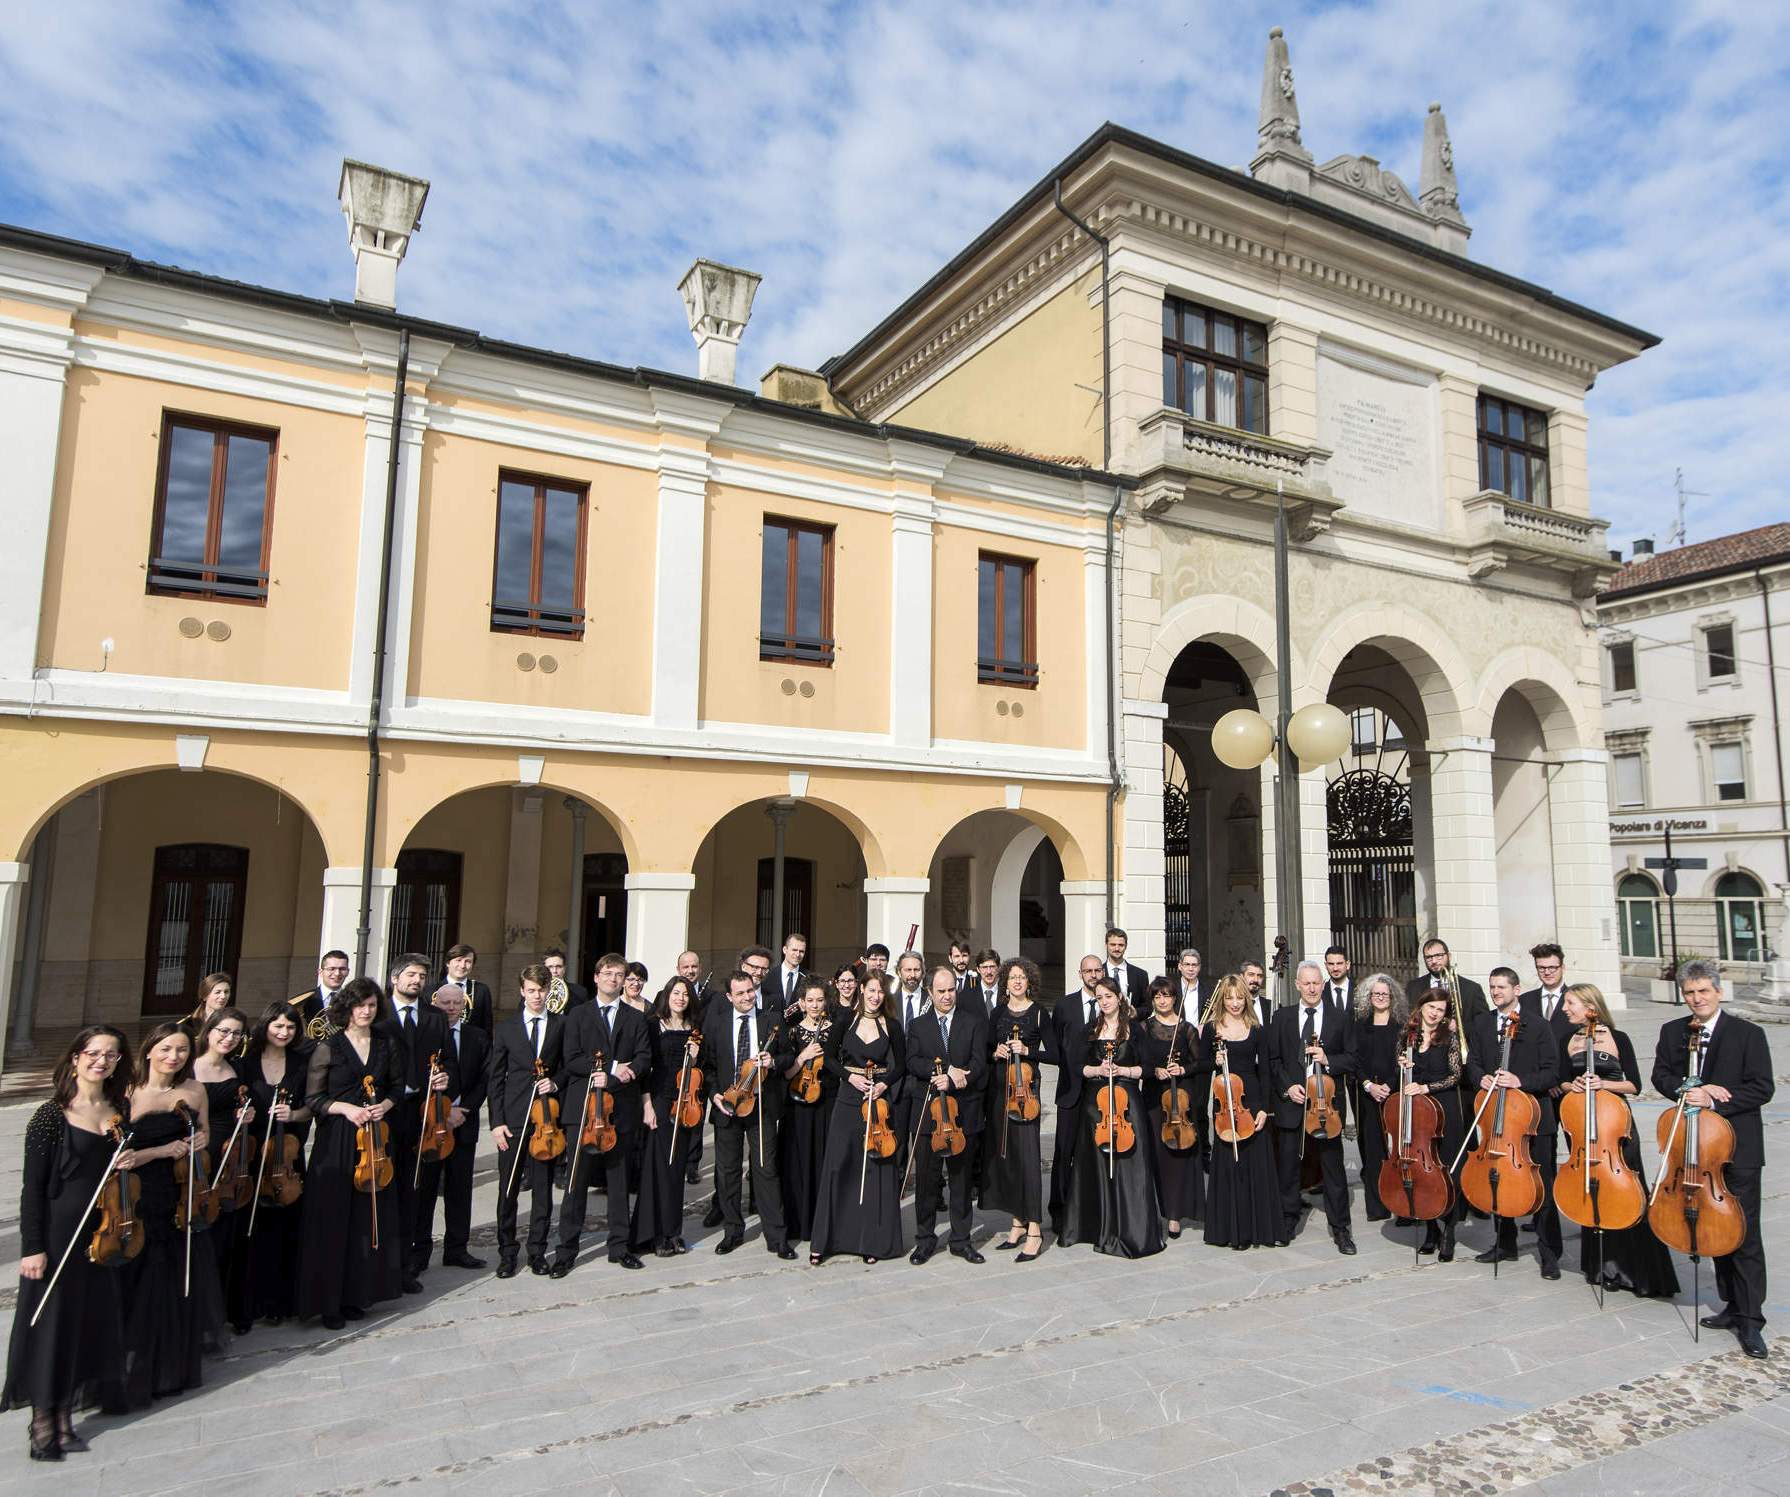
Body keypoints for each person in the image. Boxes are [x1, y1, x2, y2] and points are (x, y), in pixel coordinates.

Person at [3, 1027, 132, 1459]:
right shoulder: (50, 1115)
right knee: (50, 1326)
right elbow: (31, 1189)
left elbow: (120, 1175)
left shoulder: (120, 1111)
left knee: (83, 1322)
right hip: (58, 1236)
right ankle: (42, 1417)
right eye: (94, 1053)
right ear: (76, 1058)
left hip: (102, 1232)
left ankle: (65, 1415)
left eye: (111, 1055)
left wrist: (129, 1160)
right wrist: (31, 1248)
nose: (102, 1061)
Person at [1653, 960, 1770, 1357]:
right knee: (1713, 1230)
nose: (1696, 999)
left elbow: (1762, 1088)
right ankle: (1730, 1306)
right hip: (1693, 1149)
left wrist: (1719, 1096)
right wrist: (1683, 1090)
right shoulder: (1673, 1032)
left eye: (1703, 991)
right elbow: (1660, 1076)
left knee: (1745, 1234)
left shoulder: (1747, 1034)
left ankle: (1751, 1320)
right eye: (1690, 993)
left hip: (1737, 1151)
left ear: (1719, 992)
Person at [123, 1022, 226, 1404]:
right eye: (166, 1049)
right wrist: (162, 1151)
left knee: (173, 1275)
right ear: (149, 1050)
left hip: (180, 1190)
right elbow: (120, 1155)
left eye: (182, 1050)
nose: (174, 1056)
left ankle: (171, 1362)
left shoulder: (194, 1089)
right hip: (137, 1192)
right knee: (142, 1274)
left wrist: (200, 1141)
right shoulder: (129, 1092)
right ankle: (135, 1360)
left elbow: (204, 1135)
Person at [295, 980, 403, 1329]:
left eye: (371, 1005)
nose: (366, 1011)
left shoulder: (386, 1043)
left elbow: (397, 1088)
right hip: (339, 1139)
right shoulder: (329, 1046)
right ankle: (329, 1302)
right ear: (347, 1008)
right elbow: (314, 1099)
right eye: (360, 1005)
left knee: (365, 1219)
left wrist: (382, 1106)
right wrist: (346, 1109)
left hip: (374, 1138)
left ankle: (358, 1294)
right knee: (333, 1218)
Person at [1558, 983, 1677, 1299]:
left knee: (1627, 1193)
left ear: (1589, 1006)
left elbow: (1634, 1084)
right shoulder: (1567, 1040)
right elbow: (1560, 1082)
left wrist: (1604, 1084)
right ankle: (1603, 1268)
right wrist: (1574, 1086)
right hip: (1583, 1130)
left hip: (1615, 1129)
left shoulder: (1617, 1038)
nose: (1565, 1009)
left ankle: (1641, 1272)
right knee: (1592, 1193)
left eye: (1570, 1003)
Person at [553, 953, 652, 1275]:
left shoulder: (635, 1018)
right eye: (607, 973)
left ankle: (619, 1247)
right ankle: (566, 1250)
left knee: (619, 1181)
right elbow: (571, 1058)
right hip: (582, 1110)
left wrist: (622, 1075)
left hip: (620, 1108)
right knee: (576, 1183)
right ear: (596, 977)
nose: (613, 979)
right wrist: (610, 1067)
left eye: (619, 974)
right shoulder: (577, 1015)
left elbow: (642, 1058)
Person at [1465, 966, 1561, 1277]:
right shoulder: (1481, 1023)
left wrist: (1520, 1081)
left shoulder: (1537, 1025)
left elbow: (1552, 1072)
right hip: (1497, 1117)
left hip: (1533, 1118)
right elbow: (1473, 1063)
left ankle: (1549, 1253)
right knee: (1499, 1179)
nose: (1495, 992)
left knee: (1542, 1186)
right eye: (1492, 987)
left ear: (1516, 990)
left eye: (1501, 987)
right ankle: (1504, 1243)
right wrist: (1482, 1079)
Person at [1058, 976, 1163, 1258]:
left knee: (1132, 1166)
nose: (1105, 1002)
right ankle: (1096, 1227)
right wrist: (1097, 1070)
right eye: (1100, 997)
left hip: (1128, 1105)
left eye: (1109, 996)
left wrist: (1124, 1071)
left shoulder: (1136, 1031)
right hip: (1097, 1107)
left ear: (1119, 998)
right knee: (1097, 1166)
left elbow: (1150, 1068)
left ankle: (1132, 1228)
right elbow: (1075, 1066)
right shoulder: (1090, 1030)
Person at [376, 954, 460, 1294]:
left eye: (422, 976)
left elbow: (451, 1063)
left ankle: (410, 1262)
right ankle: (379, 1261)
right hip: (386, 1112)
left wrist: (445, 1079)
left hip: (423, 1113)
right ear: (395, 978)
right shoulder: (377, 1014)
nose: (416, 981)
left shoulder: (435, 1017)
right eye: (411, 975)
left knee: (417, 1187)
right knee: (384, 1185)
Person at [811, 971, 905, 1265]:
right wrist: (849, 1079)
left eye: (881, 992)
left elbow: (901, 1065)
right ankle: (827, 1240)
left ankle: (871, 1241)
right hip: (848, 1098)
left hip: (877, 1101)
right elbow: (827, 1058)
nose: (876, 996)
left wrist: (883, 1085)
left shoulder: (891, 1025)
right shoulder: (844, 1021)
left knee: (875, 1169)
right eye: (872, 990)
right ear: (862, 989)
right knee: (839, 1164)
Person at [701, 971, 795, 1259]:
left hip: (761, 1105)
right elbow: (708, 1066)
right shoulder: (716, 1024)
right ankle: (732, 1231)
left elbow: (789, 1056)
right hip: (727, 1105)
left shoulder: (771, 1020)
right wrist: (714, 1093)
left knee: (765, 1169)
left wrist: (774, 1061)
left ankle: (776, 1236)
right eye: (739, 993)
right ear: (729, 996)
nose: (746, 997)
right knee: (727, 1172)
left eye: (750, 991)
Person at [1270, 960, 1357, 1255]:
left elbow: (1353, 1058)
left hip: (1326, 1105)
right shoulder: (1282, 1017)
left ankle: (1341, 1228)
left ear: (1323, 984)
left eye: (1316, 982)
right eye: (1305, 983)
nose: (1311, 988)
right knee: (1289, 1167)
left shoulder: (1339, 1017)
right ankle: (1286, 1220)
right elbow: (1274, 1061)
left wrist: (1328, 1058)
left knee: (1332, 1169)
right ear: (1297, 985)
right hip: (1293, 1103)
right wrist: (1286, 1087)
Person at [905, 966, 988, 1265]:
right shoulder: (917, 1025)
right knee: (926, 1182)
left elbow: (980, 1063)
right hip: (928, 1114)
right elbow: (912, 1061)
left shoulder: (974, 1022)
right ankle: (925, 1240)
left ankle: (961, 1240)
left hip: (963, 1113)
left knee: (961, 1181)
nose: (947, 996)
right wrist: (936, 1073)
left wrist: (955, 1079)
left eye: (951, 989)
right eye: (940, 991)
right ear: (930, 992)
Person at [236, 1002, 311, 1326]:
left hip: (288, 1156)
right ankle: (248, 1302)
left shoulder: (300, 1063)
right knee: (252, 1230)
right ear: (266, 1026)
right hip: (254, 1156)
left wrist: (293, 1114)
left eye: (290, 1027)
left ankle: (281, 1300)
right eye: (278, 1026)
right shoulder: (246, 1064)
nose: (284, 1032)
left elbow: (312, 1105)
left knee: (286, 1228)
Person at [488, 966, 565, 1278]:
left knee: (543, 1191)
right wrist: (496, 1122)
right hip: (514, 1120)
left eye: (542, 990)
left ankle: (537, 1251)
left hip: (546, 1122)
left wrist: (555, 1083)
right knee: (508, 1190)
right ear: (522, 991)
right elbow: (495, 1079)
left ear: (549, 992)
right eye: (531, 990)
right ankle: (507, 1253)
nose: (537, 996)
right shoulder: (506, 1029)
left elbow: (567, 1067)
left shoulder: (561, 1025)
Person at [1200, 976, 1280, 1250]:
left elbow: (1266, 1071)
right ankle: (1234, 1230)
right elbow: (1200, 1064)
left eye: (1239, 997)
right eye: (1229, 998)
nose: (1235, 1003)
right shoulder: (1212, 1029)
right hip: (1224, 1100)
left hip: (1252, 1099)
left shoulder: (1256, 1028)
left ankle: (1260, 1229)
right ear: (1222, 999)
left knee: (1256, 1163)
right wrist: (1215, 1060)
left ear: (1246, 998)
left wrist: (1264, 1110)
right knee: (1230, 1165)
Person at [413, 985, 489, 1272]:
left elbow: (484, 1079)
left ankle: (457, 1249)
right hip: (431, 1122)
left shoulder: (477, 1036)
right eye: (445, 1002)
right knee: (426, 1190)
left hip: (463, 1121)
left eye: (457, 1003)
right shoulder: (424, 1035)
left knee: (460, 1189)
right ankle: (419, 1251)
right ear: (436, 1002)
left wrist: (463, 1109)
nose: (451, 1007)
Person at [631, 976, 707, 1257]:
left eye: (685, 994)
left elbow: (700, 1070)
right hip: (661, 1100)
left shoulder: (694, 1029)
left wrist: (697, 1056)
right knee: (659, 1168)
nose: (681, 998)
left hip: (686, 1103)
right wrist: (647, 1106)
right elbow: (645, 1069)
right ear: (667, 995)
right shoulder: (653, 1025)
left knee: (676, 1171)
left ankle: (673, 1232)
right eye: (676, 993)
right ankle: (655, 1234)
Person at [192, 1007, 254, 1331]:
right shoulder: (188, 1068)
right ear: (210, 1029)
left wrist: (246, 1114)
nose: (229, 1038)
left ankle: (225, 1310)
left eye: (236, 1034)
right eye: (224, 1031)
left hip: (229, 1159)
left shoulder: (239, 1068)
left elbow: (242, 1107)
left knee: (226, 1236)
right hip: (198, 1157)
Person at [983, 957, 1046, 1262]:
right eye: (1012, 977)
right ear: (1005, 983)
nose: (1017, 982)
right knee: (1007, 1159)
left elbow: (1056, 1053)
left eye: (1022, 977)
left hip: (1027, 1095)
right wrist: (995, 1052)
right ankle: (1017, 1222)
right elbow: (984, 1048)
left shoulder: (1037, 1013)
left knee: (1029, 1159)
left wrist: (1029, 1051)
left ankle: (1035, 1228)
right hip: (1001, 1091)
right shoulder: (997, 1013)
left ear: (1028, 981)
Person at [1137, 976, 1202, 1237]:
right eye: (1157, 996)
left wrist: (1182, 1068)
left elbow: (1202, 1063)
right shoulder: (1143, 1028)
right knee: (1154, 1157)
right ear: (1152, 1000)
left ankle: (1174, 1214)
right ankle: (1153, 1210)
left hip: (1181, 1101)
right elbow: (1139, 1064)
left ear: (1175, 997)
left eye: (1167, 995)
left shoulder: (1187, 1029)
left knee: (1176, 1157)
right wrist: (1155, 1070)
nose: (1162, 1000)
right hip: (1154, 1099)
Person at [1047, 955, 1105, 1237]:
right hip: (1070, 1091)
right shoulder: (1064, 1005)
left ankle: (1093, 1210)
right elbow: (1057, 1046)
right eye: (1088, 971)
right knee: (1064, 1151)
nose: (1093, 975)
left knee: (1095, 1153)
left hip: (1100, 1096)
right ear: (1079, 973)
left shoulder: (1111, 1005)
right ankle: (1058, 1211)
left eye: (1097, 970)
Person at [1403, 992, 1463, 1261]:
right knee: (1422, 1171)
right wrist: (1402, 1066)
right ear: (1421, 1006)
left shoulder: (1449, 1038)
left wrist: (1426, 1087)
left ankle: (1449, 1230)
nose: (1435, 1013)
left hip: (1445, 1109)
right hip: (1418, 1112)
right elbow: (1401, 1070)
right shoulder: (1408, 1035)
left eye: (1440, 1009)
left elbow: (1455, 1075)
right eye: (1431, 1007)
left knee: (1447, 1171)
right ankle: (1430, 1229)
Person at [778, 978, 835, 1246]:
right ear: (801, 1003)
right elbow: (786, 1072)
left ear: (826, 1002)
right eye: (809, 1000)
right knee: (798, 1161)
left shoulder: (834, 1030)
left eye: (819, 1000)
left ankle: (822, 1222)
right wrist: (802, 1057)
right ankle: (798, 1222)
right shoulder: (791, 1032)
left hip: (826, 1103)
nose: (814, 1005)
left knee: (823, 1158)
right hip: (798, 1101)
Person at [1352, 974, 1405, 1224]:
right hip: (1369, 1093)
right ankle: (1377, 1206)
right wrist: (1369, 1085)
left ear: (1392, 997)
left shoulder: (1402, 1025)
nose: (1380, 997)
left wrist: (1389, 1085)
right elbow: (1356, 1061)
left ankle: (1404, 1205)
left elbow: (1403, 1060)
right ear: (1369, 997)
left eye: (1385, 994)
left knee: (1400, 1150)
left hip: (1396, 1092)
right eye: (1376, 994)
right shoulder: (1360, 1024)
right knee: (1374, 1152)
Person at [1403, 938, 1489, 1022]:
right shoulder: (1413, 987)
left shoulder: (1472, 989)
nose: (1434, 961)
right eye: (1429, 957)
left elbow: (1483, 1022)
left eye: (1438, 956)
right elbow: (1406, 1018)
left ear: (1449, 956)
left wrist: (1459, 1027)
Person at [291, 950, 350, 1043]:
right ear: (320, 972)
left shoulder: (352, 1000)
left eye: (342, 969)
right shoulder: (306, 1000)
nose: (337, 973)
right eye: (332, 969)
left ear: (348, 972)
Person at [439, 943, 495, 1032]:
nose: (462, 966)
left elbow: (487, 1025)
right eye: (458, 960)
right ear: (448, 963)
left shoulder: (481, 990)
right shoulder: (431, 990)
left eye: (468, 961)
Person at [1103, 927, 1151, 1016]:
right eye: (1113, 945)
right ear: (1106, 945)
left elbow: (1148, 1007)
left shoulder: (1140, 975)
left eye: (1121, 945)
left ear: (1126, 946)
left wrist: (1135, 1013)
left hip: (1131, 1026)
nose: (1117, 948)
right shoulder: (1098, 973)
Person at [178, 972, 234, 1045]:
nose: (223, 996)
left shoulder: (234, 1023)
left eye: (226, 992)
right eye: (218, 992)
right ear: (205, 996)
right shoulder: (186, 1025)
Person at [541, 947, 589, 1013]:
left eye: (559, 966)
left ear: (564, 969)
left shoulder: (580, 992)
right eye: (550, 967)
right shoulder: (534, 991)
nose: (554, 971)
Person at [773, 933, 809, 1016]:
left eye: (801, 951)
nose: (797, 954)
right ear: (785, 950)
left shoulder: (809, 978)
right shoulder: (769, 976)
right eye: (794, 950)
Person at [1170, 948, 1202, 1014]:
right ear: (1179, 966)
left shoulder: (1209, 991)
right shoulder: (1171, 988)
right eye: (1187, 964)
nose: (1190, 969)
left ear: (1199, 967)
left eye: (1194, 965)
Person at [971, 949, 1002, 1013]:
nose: (988, 972)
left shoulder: (1008, 994)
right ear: (978, 969)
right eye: (984, 967)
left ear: (999, 968)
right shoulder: (968, 996)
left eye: (992, 966)